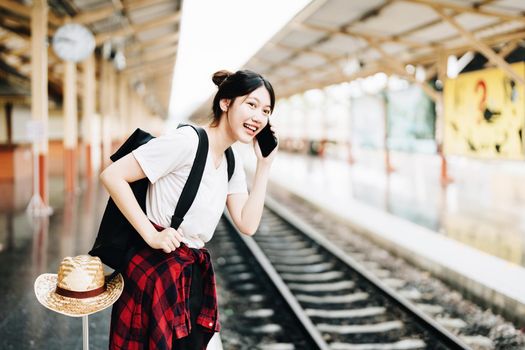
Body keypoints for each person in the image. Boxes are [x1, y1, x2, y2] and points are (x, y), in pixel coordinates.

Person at [100, 69, 278, 349]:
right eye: (251, 104)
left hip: (191, 273)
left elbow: (247, 223)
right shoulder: (187, 142)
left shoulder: (231, 162)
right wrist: (151, 234)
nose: (259, 117)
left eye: (266, 110)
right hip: (156, 271)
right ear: (225, 103)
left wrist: (264, 165)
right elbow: (112, 175)